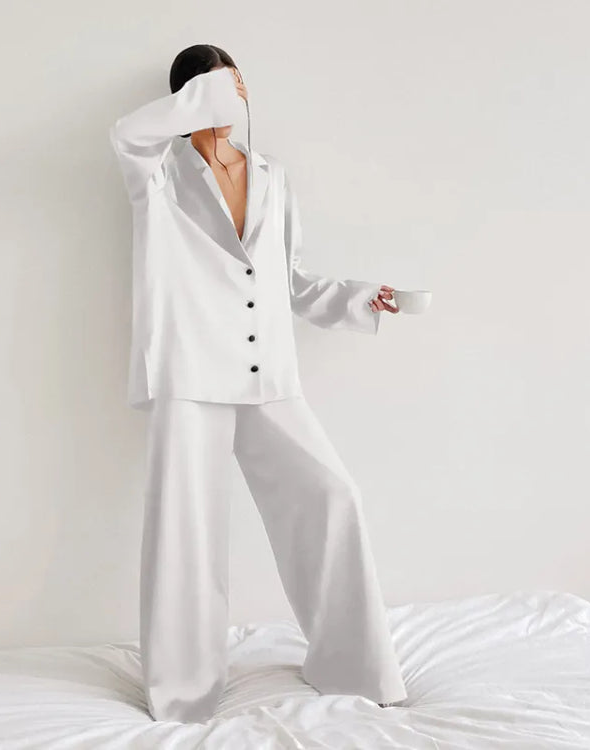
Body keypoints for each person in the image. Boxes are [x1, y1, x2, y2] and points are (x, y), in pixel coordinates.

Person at [109, 43, 406, 724]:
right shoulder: (157, 172)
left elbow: (290, 279)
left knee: (332, 496)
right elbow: (125, 133)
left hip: (265, 370)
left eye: (238, 82)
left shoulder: (272, 175)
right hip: (190, 374)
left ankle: (352, 666)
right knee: (187, 534)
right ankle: (184, 695)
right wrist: (202, 99)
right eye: (219, 86)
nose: (235, 96)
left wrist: (361, 298)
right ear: (189, 98)